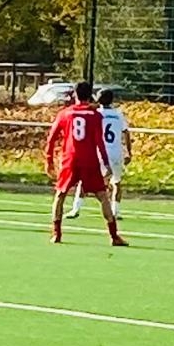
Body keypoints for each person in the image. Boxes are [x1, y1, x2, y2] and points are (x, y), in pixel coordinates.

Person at [44, 81, 126, 246]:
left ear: (75, 95)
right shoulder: (95, 115)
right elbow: (99, 142)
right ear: (90, 96)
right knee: (103, 196)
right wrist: (105, 163)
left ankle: (56, 233)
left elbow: (51, 138)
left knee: (60, 195)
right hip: (90, 161)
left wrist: (49, 160)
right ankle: (114, 236)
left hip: (70, 160)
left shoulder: (65, 113)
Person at [67, 88, 131, 221]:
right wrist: (129, 152)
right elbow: (126, 133)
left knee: (85, 180)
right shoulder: (118, 114)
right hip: (116, 152)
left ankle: (76, 209)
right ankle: (115, 211)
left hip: (100, 153)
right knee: (116, 182)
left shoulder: (96, 114)